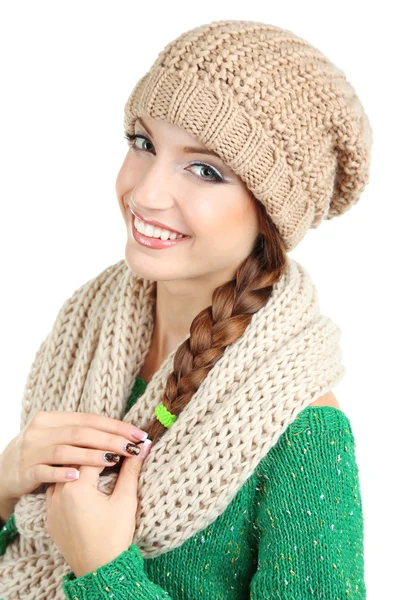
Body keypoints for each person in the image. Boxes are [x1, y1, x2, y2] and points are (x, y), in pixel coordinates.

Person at [0, 19, 371, 599]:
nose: (146, 193)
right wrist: (5, 485)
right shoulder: (88, 331)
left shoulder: (302, 435)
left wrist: (105, 572)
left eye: (205, 170)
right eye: (143, 143)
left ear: (271, 215)